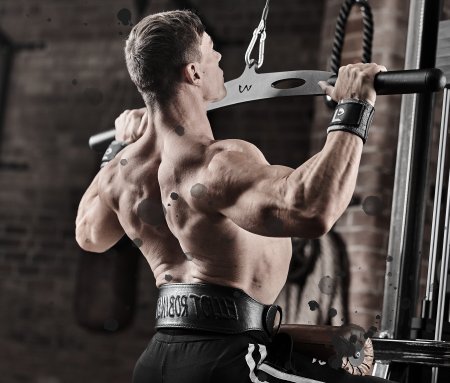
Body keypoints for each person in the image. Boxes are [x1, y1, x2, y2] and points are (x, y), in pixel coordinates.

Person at [75, 10, 393, 383]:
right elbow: (310, 209)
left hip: (158, 361)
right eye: (211, 50)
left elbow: (89, 235)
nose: (221, 58)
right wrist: (354, 107)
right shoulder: (215, 162)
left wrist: (117, 145)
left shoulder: (121, 172)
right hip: (230, 362)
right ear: (193, 72)